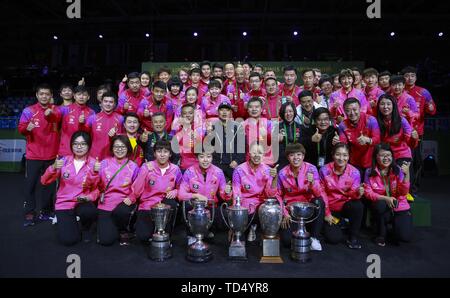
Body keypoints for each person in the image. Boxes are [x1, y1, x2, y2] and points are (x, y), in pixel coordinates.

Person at [41, 131, 98, 246]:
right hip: (64, 203)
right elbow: (44, 181)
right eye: (76, 144)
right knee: (69, 240)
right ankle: (68, 221)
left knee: (89, 211)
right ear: (71, 145)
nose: (79, 147)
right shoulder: (63, 161)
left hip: (82, 202)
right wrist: (53, 167)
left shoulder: (94, 163)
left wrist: (88, 197)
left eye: (83, 144)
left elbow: (97, 189)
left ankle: (86, 228)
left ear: (89, 145)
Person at [19, 84, 61, 226]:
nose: (44, 96)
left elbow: (55, 117)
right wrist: (26, 129)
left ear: (51, 96)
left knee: (48, 186)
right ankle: (30, 213)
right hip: (33, 156)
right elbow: (21, 129)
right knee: (30, 185)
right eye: (41, 94)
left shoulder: (56, 110)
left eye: (47, 94)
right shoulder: (28, 111)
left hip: (51, 156)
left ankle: (46, 211)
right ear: (37, 95)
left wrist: (49, 113)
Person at [278, 143, 331, 251]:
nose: (296, 158)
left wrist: (312, 183)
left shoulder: (311, 169)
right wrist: (285, 213)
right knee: (287, 241)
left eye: (299, 154)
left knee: (319, 201)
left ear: (303, 156)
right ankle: (302, 229)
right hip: (292, 209)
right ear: (288, 157)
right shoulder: (282, 173)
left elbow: (318, 193)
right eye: (292, 155)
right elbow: (278, 195)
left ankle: (315, 238)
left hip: (309, 207)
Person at [88, 135, 139, 246]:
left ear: (128, 148)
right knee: (106, 240)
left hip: (124, 203)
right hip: (106, 203)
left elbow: (137, 187)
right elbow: (94, 185)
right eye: (116, 146)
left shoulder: (133, 166)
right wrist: (94, 173)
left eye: (123, 146)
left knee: (122, 212)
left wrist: (132, 197)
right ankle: (112, 227)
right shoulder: (104, 164)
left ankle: (124, 230)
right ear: (112, 148)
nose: (119, 149)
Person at [131, 140, 182, 244]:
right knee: (143, 236)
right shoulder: (146, 167)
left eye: (165, 151)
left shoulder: (175, 169)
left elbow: (182, 187)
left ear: (170, 154)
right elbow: (136, 192)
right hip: (147, 205)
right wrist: (145, 172)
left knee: (171, 203)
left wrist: (176, 191)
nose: (162, 155)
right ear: (154, 153)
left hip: (164, 205)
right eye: (159, 151)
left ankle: (166, 236)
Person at [178, 150, 232, 243]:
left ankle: (208, 230)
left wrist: (227, 192)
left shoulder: (218, 172)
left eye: (208, 156)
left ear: (212, 158)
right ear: (197, 158)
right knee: (186, 206)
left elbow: (224, 196)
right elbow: (181, 195)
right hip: (194, 207)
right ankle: (192, 234)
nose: (205, 160)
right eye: (202, 156)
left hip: (211, 207)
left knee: (225, 215)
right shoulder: (189, 172)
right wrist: (196, 195)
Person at [364, 143, 413, 246]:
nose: (386, 158)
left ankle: (394, 227)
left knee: (404, 237)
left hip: (399, 205)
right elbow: (368, 193)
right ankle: (381, 234)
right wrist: (386, 198)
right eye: (382, 155)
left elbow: (403, 193)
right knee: (380, 204)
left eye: (388, 155)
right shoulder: (369, 172)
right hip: (382, 206)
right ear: (376, 157)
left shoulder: (397, 170)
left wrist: (407, 175)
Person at [319, 143, 364, 249]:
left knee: (358, 205)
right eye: (338, 154)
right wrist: (327, 213)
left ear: (349, 156)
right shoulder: (324, 170)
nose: (341, 158)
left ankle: (352, 238)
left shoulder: (355, 172)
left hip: (344, 206)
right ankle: (336, 224)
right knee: (334, 239)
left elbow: (352, 194)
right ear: (333, 155)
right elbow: (322, 193)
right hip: (329, 208)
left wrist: (358, 193)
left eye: (345, 155)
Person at [232, 142, 279, 239]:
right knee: (240, 236)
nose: (257, 155)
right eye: (254, 153)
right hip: (245, 204)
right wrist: (236, 214)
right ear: (249, 153)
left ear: (263, 155)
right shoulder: (239, 170)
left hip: (261, 204)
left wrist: (274, 178)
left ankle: (257, 229)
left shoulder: (268, 170)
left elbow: (270, 194)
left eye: (260, 153)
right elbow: (237, 193)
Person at [402, 66, 437, 195]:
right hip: (400, 132)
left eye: (412, 75)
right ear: (403, 77)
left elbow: (432, 111)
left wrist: (430, 106)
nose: (410, 78)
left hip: (417, 133)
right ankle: (402, 189)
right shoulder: (398, 90)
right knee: (403, 160)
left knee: (416, 161)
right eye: (407, 75)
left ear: (416, 78)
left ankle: (414, 189)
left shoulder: (423, 92)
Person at [376, 94, 418, 180]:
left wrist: (414, 138)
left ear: (393, 106)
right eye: (382, 104)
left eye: (388, 104)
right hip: (385, 156)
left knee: (401, 182)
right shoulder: (376, 121)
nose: (385, 107)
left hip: (402, 155)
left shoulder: (402, 120)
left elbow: (411, 144)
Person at [338, 97, 381, 177]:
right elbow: (344, 145)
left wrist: (368, 140)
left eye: (355, 109)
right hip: (354, 162)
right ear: (344, 111)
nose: (352, 113)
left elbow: (377, 139)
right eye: (348, 110)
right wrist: (338, 143)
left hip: (371, 160)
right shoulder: (342, 125)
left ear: (360, 108)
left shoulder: (371, 120)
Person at [208, 102, 246, 181]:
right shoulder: (213, 127)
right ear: (218, 112)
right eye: (222, 110)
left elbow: (243, 147)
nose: (224, 112)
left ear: (231, 112)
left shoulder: (238, 127)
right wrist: (209, 135)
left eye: (227, 110)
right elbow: (210, 147)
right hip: (218, 164)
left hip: (233, 164)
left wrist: (237, 161)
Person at [85, 92, 124, 160]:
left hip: (114, 157)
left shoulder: (120, 119)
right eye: (105, 101)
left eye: (111, 102)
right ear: (101, 103)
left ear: (115, 104)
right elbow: (84, 136)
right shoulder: (93, 118)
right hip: (94, 156)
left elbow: (126, 136)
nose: (108, 104)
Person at [58, 85, 95, 157]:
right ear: (74, 96)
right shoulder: (65, 109)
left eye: (84, 95)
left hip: (83, 151)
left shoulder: (91, 113)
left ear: (88, 97)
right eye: (79, 94)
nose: (81, 97)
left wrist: (82, 124)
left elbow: (91, 133)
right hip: (65, 151)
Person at [278, 102, 302, 169]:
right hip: (282, 160)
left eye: (290, 111)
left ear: (294, 112)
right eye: (285, 112)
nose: (288, 114)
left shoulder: (300, 127)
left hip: (296, 159)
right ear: (282, 113)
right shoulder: (277, 127)